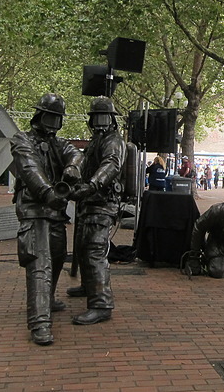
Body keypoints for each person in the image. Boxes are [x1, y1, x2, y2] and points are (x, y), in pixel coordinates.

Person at [10, 93, 84, 345]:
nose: (53, 122)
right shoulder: (22, 140)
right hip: (34, 209)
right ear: (39, 115)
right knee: (39, 263)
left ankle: (48, 300)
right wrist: (47, 193)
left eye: (57, 118)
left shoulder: (58, 143)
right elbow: (30, 168)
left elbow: (74, 152)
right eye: (50, 116)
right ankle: (39, 322)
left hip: (55, 211)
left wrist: (73, 165)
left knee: (58, 255)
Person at [66, 96, 126, 327]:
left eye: (104, 117)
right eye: (97, 118)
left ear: (112, 120)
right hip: (90, 202)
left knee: (93, 251)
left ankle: (101, 304)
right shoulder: (95, 142)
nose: (100, 122)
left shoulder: (113, 141)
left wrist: (91, 186)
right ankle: (89, 286)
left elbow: (111, 164)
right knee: (82, 247)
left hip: (102, 202)